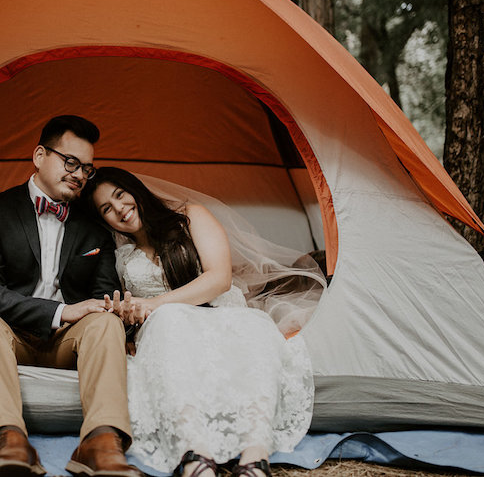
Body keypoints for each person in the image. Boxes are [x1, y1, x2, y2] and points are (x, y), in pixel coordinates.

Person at [82, 167, 315, 477]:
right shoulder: (120, 255)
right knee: (168, 322)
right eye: (106, 209)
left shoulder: (190, 216)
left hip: (220, 313)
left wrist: (152, 305)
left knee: (254, 325)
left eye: (120, 196)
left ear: (135, 190)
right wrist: (129, 313)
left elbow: (219, 278)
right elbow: (129, 305)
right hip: (168, 330)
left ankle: (254, 456)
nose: (120, 210)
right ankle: (195, 454)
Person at [0, 117, 141, 477]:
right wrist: (61, 311)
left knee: (106, 323)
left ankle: (101, 443)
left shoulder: (95, 227)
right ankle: (10, 441)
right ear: (40, 155)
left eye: (86, 169)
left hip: (69, 344)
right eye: (70, 162)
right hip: (10, 335)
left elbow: (102, 296)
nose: (79, 174)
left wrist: (110, 311)